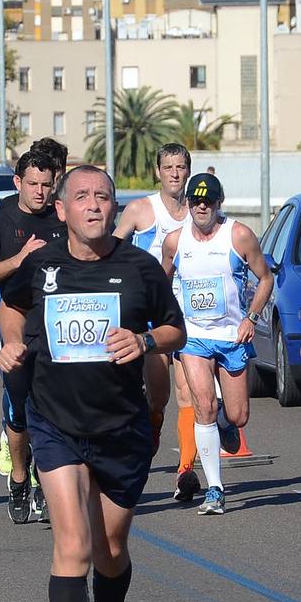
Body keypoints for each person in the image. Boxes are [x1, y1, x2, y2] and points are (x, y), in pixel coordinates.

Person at [0, 165, 185, 602]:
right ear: (62, 210)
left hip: (120, 426)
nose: (93, 205)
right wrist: (10, 347)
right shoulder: (41, 266)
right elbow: (10, 304)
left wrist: (145, 339)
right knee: (73, 545)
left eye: (102, 196)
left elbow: (174, 328)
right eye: (81, 197)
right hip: (55, 422)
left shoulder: (139, 267)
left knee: (109, 549)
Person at [161, 173, 273, 515]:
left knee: (237, 416)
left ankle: (227, 424)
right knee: (203, 406)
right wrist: (169, 322)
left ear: (219, 203)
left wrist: (250, 318)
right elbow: (159, 282)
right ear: (188, 204)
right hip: (193, 336)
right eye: (196, 200)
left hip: (232, 336)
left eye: (208, 200)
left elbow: (265, 278)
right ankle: (215, 489)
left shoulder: (238, 235)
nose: (202, 206)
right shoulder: (175, 242)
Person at [0, 148, 67, 524]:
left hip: (52, 323)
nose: (40, 191)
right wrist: (19, 259)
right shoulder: (0, 219)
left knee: (52, 405)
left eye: (46, 184)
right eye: (32, 184)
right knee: (20, 407)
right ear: (18, 183)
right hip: (11, 318)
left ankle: (44, 481)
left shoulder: (61, 217)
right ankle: (19, 475)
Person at [112, 143, 199, 500]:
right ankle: (154, 428)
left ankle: (187, 471)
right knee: (158, 397)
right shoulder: (140, 210)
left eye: (180, 167)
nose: (175, 173)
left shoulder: (201, 211)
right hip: (151, 317)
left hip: (191, 314)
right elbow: (111, 252)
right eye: (168, 167)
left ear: (187, 171)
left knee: (188, 390)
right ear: (158, 172)